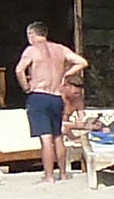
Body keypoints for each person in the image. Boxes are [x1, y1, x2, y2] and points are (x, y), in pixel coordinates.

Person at [14, 20, 89, 183]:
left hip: (39, 95)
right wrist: (66, 74)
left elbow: (19, 70)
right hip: (56, 96)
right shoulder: (60, 49)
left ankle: (49, 176)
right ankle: (62, 173)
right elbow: (82, 62)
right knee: (58, 136)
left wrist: (26, 87)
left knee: (45, 138)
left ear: (31, 34)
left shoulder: (32, 50)